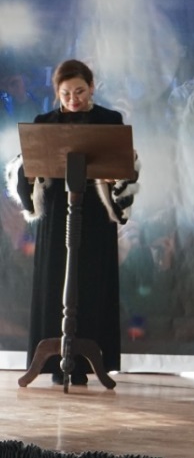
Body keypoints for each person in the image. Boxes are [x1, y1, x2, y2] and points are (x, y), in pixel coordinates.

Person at [3, 59, 139, 385]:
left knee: (91, 283)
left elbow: (125, 166)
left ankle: (85, 364)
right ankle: (55, 364)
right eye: (66, 93)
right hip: (55, 218)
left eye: (79, 91)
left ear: (91, 88)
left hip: (94, 217)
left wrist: (116, 179)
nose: (73, 99)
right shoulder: (44, 123)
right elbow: (26, 167)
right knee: (55, 284)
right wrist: (28, 175)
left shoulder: (109, 120)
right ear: (57, 93)